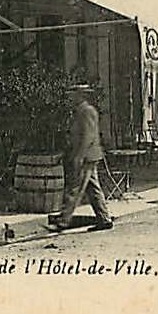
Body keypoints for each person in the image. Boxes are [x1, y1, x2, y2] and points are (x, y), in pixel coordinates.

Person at [49, 83, 113, 231]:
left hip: (86, 156)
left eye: (74, 94)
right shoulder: (80, 111)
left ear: (81, 96)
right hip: (87, 155)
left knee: (75, 188)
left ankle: (64, 221)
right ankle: (104, 218)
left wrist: (79, 156)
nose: (71, 97)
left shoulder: (87, 111)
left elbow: (88, 137)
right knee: (92, 188)